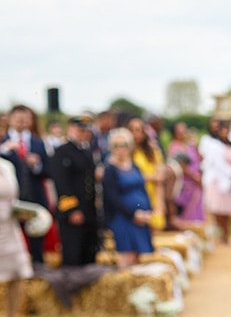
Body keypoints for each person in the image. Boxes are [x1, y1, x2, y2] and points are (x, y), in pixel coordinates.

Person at [48, 116, 99, 266]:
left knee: (88, 253)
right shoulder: (62, 152)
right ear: (71, 129)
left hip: (88, 210)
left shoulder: (86, 151)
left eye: (86, 131)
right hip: (72, 211)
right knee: (73, 255)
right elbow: (62, 184)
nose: (84, 133)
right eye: (80, 130)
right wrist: (72, 210)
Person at [3, 104, 51, 263]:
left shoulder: (38, 142)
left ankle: (37, 268)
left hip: (34, 196)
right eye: (18, 120)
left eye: (25, 120)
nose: (21, 124)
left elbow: (48, 171)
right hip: (11, 199)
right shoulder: (3, 142)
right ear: (10, 120)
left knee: (37, 237)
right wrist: (5, 151)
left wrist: (37, 165)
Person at [101, 127, 154, 268]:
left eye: (124, 145)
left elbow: (142, 189)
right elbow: (112, 198)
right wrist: (133, 214)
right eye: (117, 145)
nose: (120, 149)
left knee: (138, 255)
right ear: (111, 147)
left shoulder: (134, 166)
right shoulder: (110, 169)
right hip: (123, 218)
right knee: (127, 255)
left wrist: (148, 210)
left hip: (141, 218)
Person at [0, 155, 34, 317]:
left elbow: (13, 199)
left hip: (10, 227)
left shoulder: (6, 166)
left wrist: (25, 213)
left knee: (18, 273)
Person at [128, 118, 168, 230]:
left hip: (151, 194)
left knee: (154, 227)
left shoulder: (153, 151)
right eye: (132, 130)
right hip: (134, 196)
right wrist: (150, 176)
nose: (135, 134)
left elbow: (160, 177)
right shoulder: (126, 152)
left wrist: (160, 202)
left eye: (138, 130)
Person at [168, 122, 205, 225]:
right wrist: (194, 177)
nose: (184, 133)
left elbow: (200, 159)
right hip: (184, 184)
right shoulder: (174, 147)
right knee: (185, 212)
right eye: (180, 131)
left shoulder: (190, 145)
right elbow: (178, 165)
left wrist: (196, 145)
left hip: (195, 184)